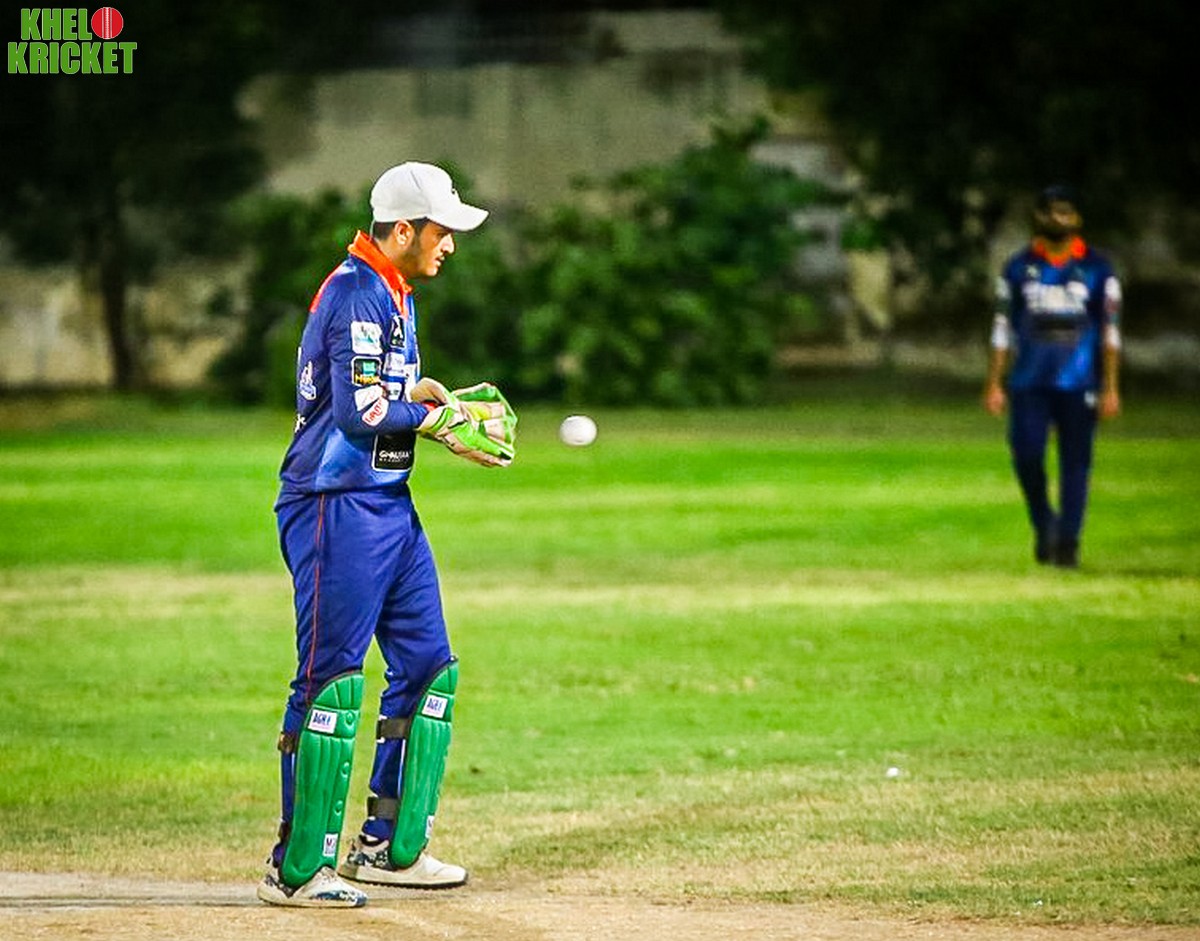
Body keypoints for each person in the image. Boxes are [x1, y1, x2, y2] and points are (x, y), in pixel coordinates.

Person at [257, 162, 518, 908]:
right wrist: (437, 420)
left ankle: (389, 850)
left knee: (430, 668)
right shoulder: (357, 293)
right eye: (442, 232)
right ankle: (297, 869)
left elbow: (381, 390)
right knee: (330, 680)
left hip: (387, 504)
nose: (450, 245)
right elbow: (359, 413)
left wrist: (425, 394)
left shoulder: (394, 290)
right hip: (332, 507)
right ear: (404, 230)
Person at [982, 184, 1122, 569]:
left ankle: (1068, 542)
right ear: (1039, 216)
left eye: (1066, 212)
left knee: (1076, 462)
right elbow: (1002, 328)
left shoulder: (1097, 269)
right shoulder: (1018, 268)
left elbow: (1110, 331)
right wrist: (994, 382)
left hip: (1079, 381)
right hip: (1029, 381)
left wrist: (1111, 387)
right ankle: (1045, 523)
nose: (1058, 219)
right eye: (1051, 212)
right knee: (1026, 454)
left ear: (1077, 218)